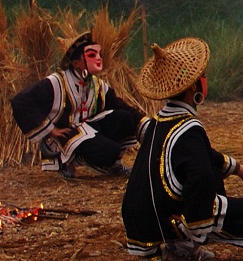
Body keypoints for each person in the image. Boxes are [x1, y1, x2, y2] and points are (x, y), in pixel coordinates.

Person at [121, 38, 243, 261]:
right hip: (161, 221)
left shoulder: (160, 120)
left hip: (140, 222)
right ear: (193, 87)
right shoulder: (188, 128)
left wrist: (239, 170)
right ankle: (183, 248)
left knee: (212, 172)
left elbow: (205, 157)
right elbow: (198, 178)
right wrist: (197, 226)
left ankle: (175, 243)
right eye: (203, 77)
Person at [11, 30, 144, 178]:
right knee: (110, 151)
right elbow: (20, 101)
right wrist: (50, 129)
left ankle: (113, 166)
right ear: (76, 63)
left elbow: (119, 105)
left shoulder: (96, 84)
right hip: (65, 135)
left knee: (125, 118)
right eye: (91, 55)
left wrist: (144, 120)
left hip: (88, 129)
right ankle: (67, 160)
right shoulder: (56, 82)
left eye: (99, 54)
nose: (98, 58)